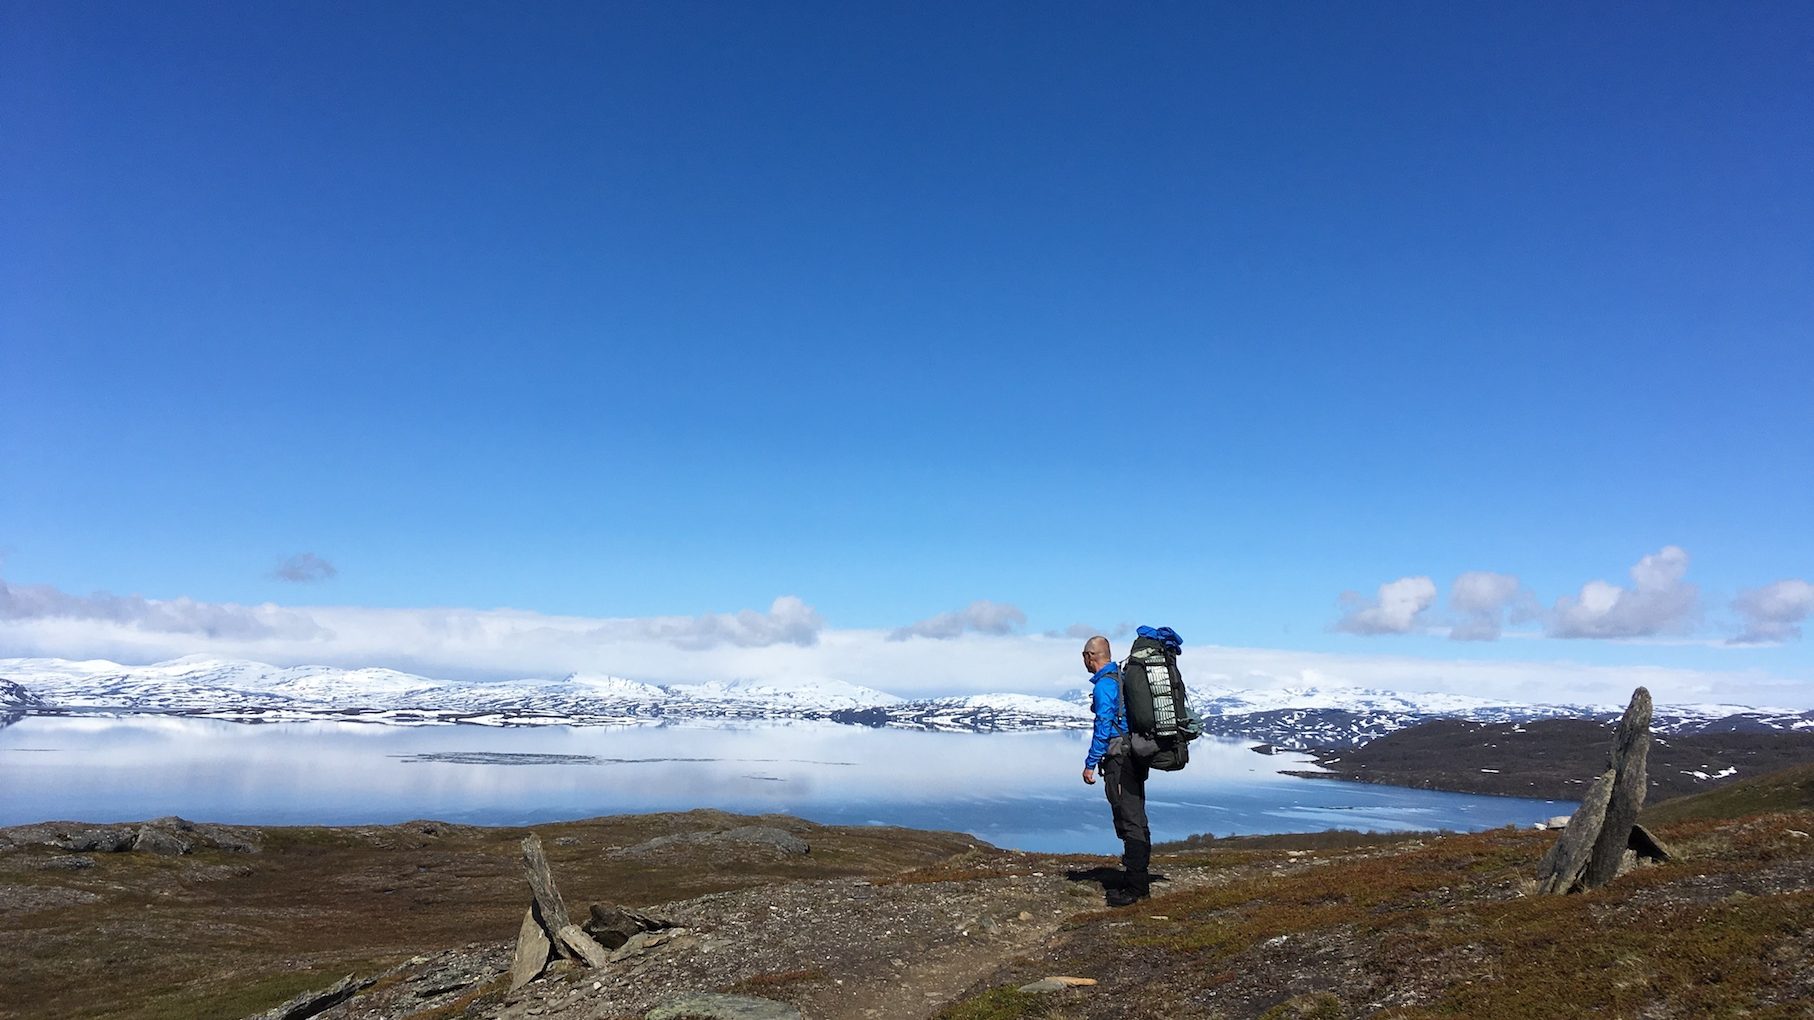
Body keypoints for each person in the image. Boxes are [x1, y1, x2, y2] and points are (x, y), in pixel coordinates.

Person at [1080, 634, 1151, 907]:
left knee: (1128, 818)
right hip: (1133, 756)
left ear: (1090, 657)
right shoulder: (1121, 679)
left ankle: (1135, 888)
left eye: (1085, 658)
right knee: (1136, 815)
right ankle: (1137, 877)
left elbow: (1104, 726)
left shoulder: (1105, 687)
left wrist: (1090, 763)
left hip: (1119, 760)